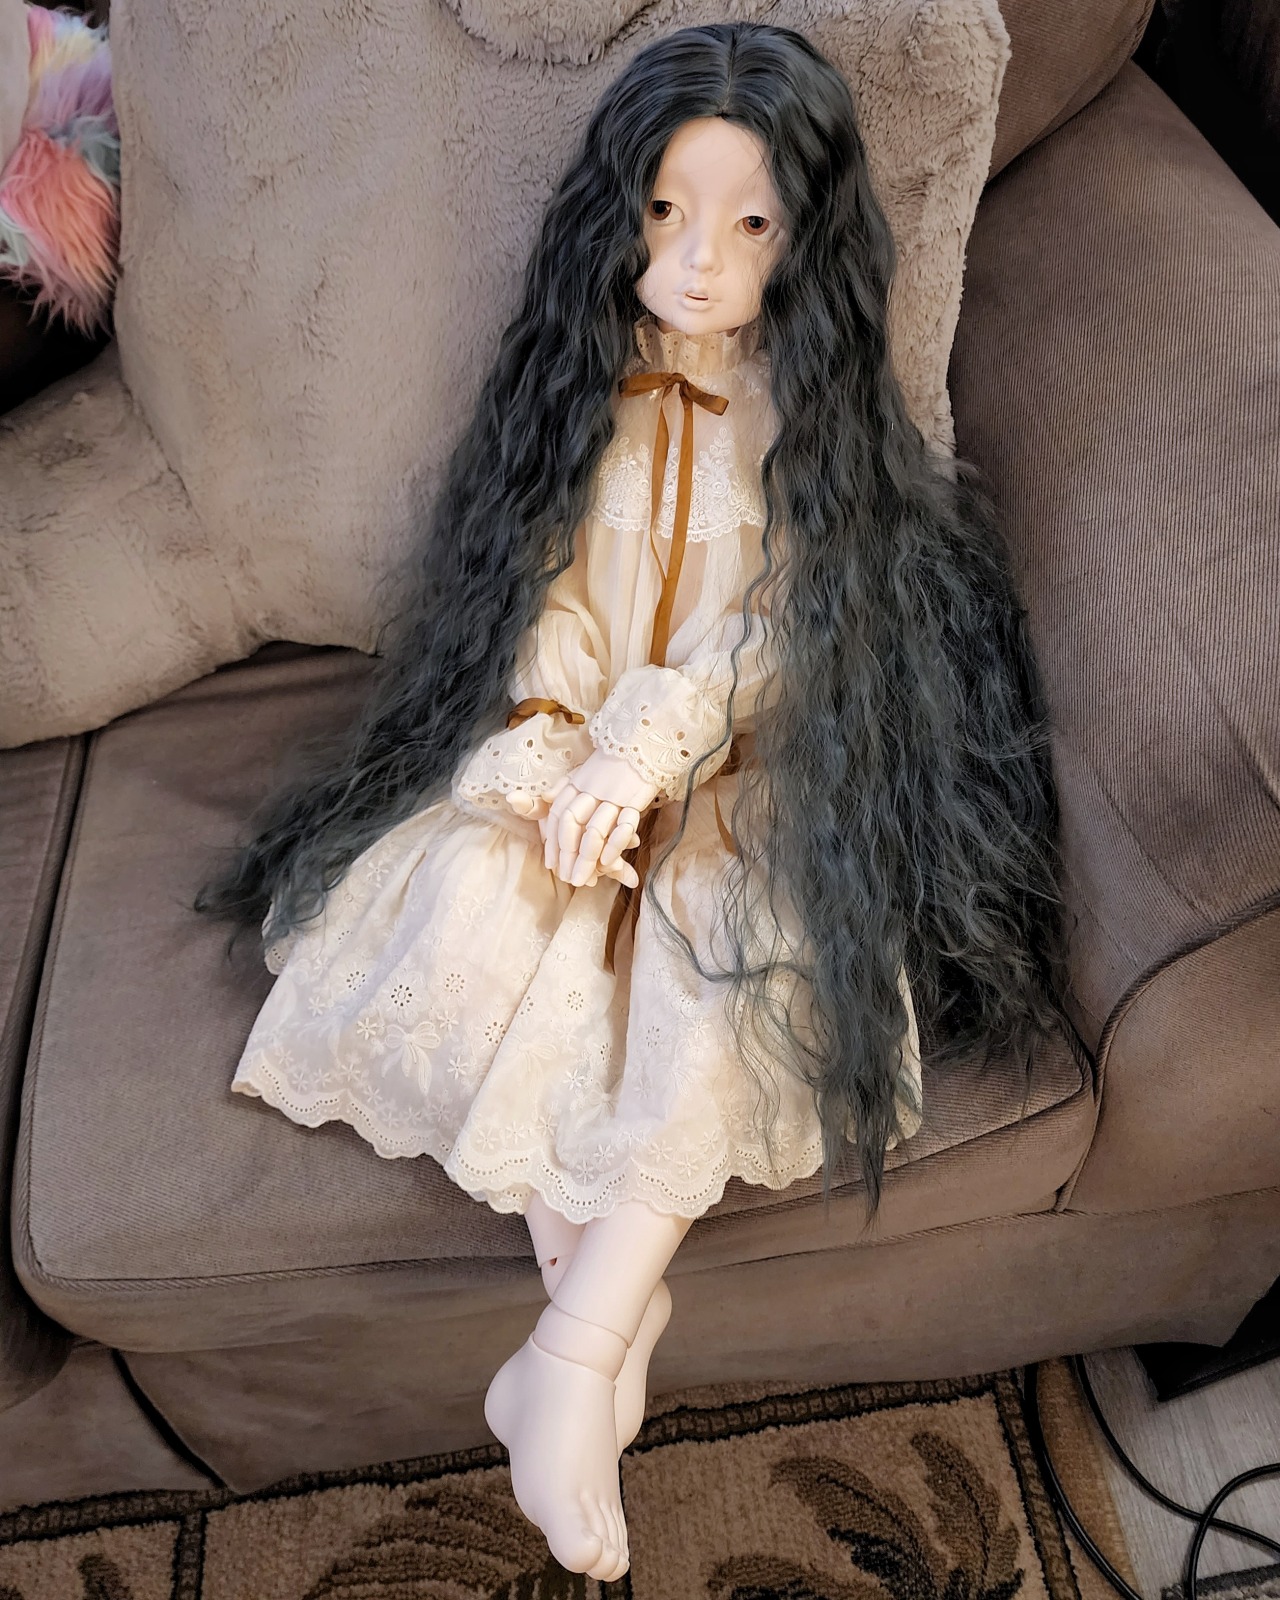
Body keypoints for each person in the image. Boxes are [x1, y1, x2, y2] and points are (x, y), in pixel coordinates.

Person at [195, 20, 1072, 1583]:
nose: (699, 260)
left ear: (806, 240)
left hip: (743, 779)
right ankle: (595, 1332)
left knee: (720, 984)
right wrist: (558, 748)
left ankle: (573, 1353)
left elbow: (782, 628)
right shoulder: (576, 390)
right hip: (565, 750)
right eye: (668, 213)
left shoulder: (808, 420)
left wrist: (650, 751)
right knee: (473, 919)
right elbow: (539, 588)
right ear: (618, 211)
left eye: (750, 224)